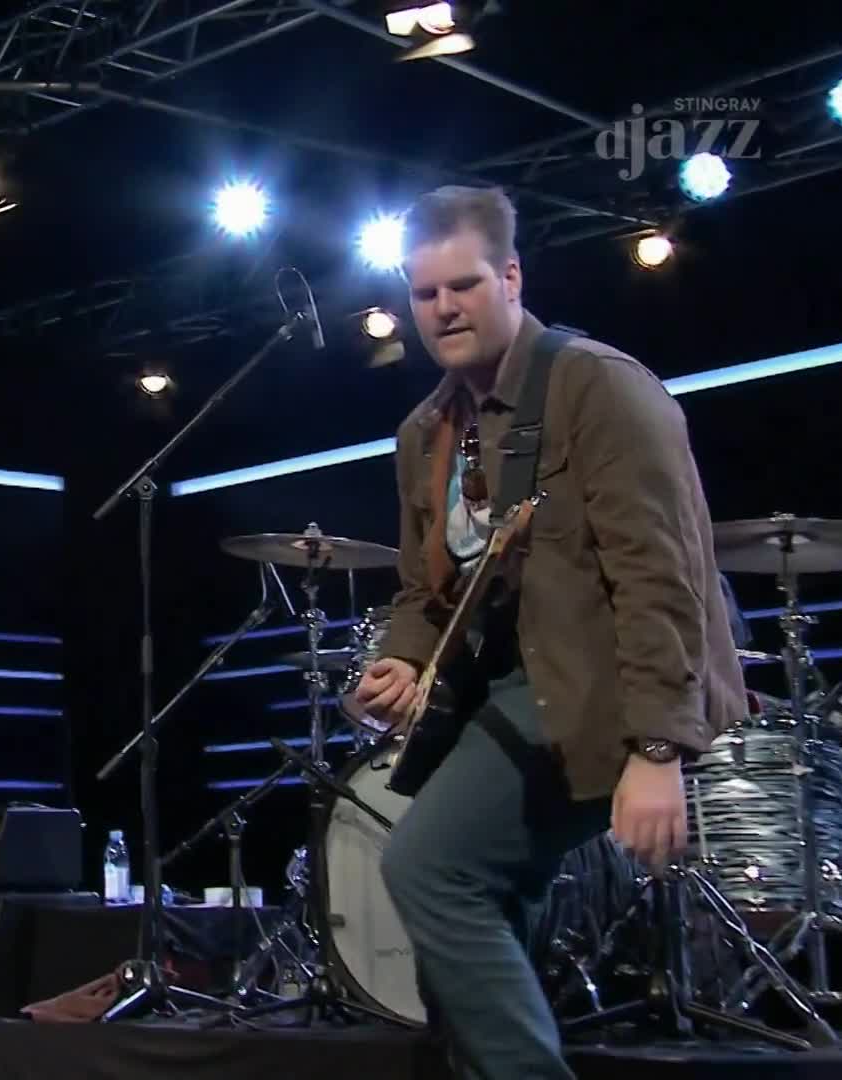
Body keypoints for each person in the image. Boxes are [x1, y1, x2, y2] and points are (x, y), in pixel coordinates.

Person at [352, 185, 743, 1078]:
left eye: (464, 284)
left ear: (512, 276)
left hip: (600, 688)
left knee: (428, 870)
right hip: (506, 696)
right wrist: (398, 659)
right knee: (481, 919)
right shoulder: (425, 433)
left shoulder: (597, 384)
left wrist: (655, 749)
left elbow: (662, 575)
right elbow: (424, 588)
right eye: (424, 294)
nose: (443, 307)